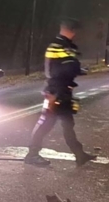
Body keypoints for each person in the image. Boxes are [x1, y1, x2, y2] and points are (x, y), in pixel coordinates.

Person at [25, 18, 97, 167]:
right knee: (46, 123)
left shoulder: (66, 46)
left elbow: (68, 66)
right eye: (75, 31)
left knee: (67, 124)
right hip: (55, 91)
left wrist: (78, 71)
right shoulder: (57, 46)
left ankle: (79, 154)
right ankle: (32, 155)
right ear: (70, 30)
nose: (76, 34)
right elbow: (54, 70)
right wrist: (53, 92)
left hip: (63, 90)